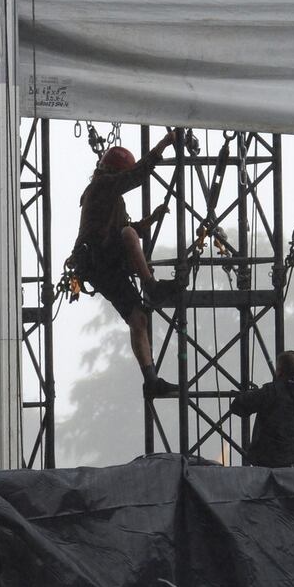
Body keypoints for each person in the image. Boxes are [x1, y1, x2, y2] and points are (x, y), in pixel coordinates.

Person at [67, 129, 179, 398]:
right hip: (99, 260)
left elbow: (127, 230)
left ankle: (151, 379)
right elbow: (137, 176)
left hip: (105, 265)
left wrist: (150, 220)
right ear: (114, 173)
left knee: (138, 318)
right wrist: (164, 144)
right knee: (128, 234)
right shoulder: (101, 187)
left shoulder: (111, 197)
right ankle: (151, 286)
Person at [231, 351, 294, 467]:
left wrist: (253, 394)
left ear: (279, 370)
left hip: (272, 464)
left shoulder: (272, 391)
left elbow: (238, 406)